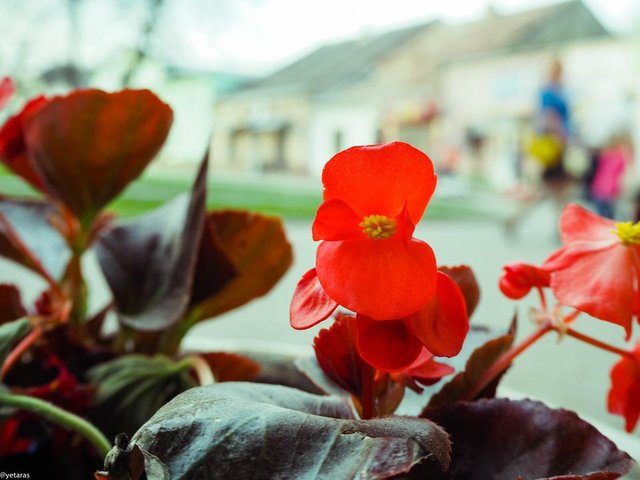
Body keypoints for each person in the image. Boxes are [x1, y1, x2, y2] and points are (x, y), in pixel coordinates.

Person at [505, 60, 572, 237]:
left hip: (557, 146)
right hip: (554, 146)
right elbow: (548, 117)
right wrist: (561, 137)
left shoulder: (557, 91)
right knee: (555, 190)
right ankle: (561, 229)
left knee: (554, 190)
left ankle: (518, 220)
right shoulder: (549, 92)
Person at [590, 133, 633, 219]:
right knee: (608, 217)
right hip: (609, 190)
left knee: (601, 216)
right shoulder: (620, 157)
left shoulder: (606, 154)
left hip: (598, 187)